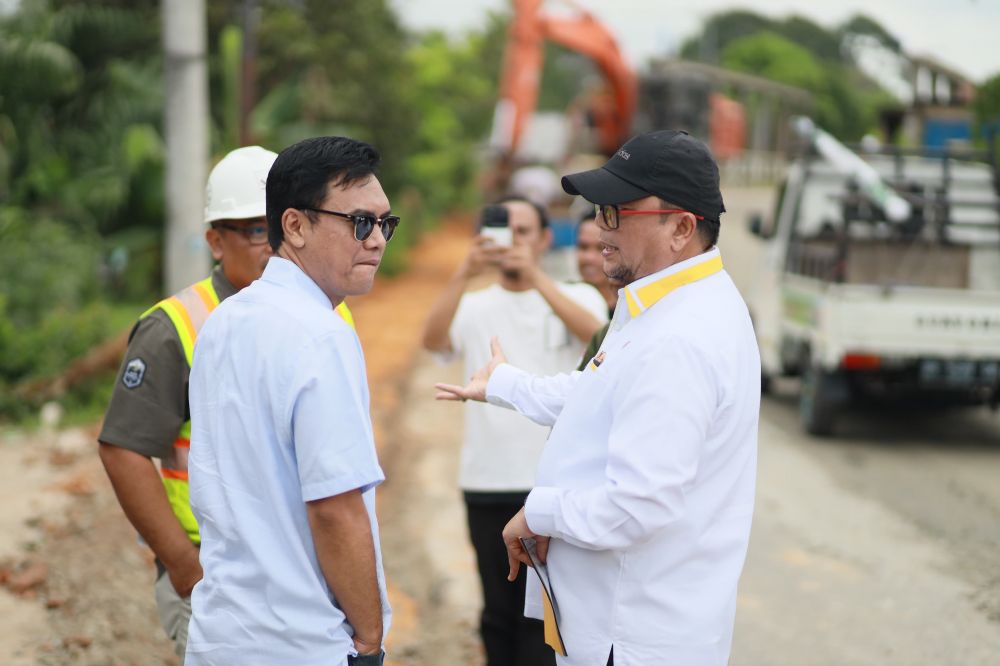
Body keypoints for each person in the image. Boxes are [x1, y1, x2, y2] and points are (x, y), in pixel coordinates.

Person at [436, 130, 761, 666]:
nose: (598, 229)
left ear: (681, 227)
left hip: (632, 635)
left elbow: (638, 506)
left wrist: (539, 512)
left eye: (616, 213)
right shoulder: (666, 303)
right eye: (598, 210)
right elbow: (601, 391)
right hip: (622, 623)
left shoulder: (681, 336)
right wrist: (505, 385)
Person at [184, 136, 392, 666]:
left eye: (385, 224)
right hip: (301, 641)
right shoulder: (322, 335)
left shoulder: (222, 321)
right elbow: (335, 507)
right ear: (295, 226)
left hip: (221, 634)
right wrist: (369, 640)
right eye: (359, 223)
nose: (376, 241)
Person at [98, 145, 307, 662]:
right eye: (256, 230)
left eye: (284, 226)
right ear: (216, 240)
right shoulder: (174, 328)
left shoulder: (324, 314)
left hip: (301, 569)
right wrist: (187, 570)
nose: (274, 245)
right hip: (220, 574)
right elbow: (122, 449)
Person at [421, 197, 607, 666]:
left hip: (549, 487)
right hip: (485, 481)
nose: (514, 242)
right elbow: (433, 342)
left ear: (546, 239)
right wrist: (464, 272)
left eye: (525, 232)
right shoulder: (474, 302)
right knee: (497, 611)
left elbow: (597, 334)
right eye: (504, 230)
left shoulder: (576, 295)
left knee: (545, 617)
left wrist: (536, 277)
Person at [574, 211, 620, 371]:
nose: (589, 258)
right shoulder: (562, 294)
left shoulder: (630, 307)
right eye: (583, 247)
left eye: (601, 248)